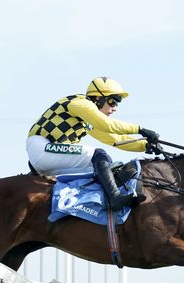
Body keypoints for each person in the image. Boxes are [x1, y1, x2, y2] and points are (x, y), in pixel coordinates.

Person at [26, 76, 161, 210]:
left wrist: (144, 145)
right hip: (41, 147)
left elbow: (116, 140)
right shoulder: (81, 103)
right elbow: (107, 125)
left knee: (105, 165)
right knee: (99, 155)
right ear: (98, 98)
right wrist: (140, 129)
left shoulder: (87, 120)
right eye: (113, 102)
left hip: (47, 155)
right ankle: (114, 197)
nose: (115, 108)